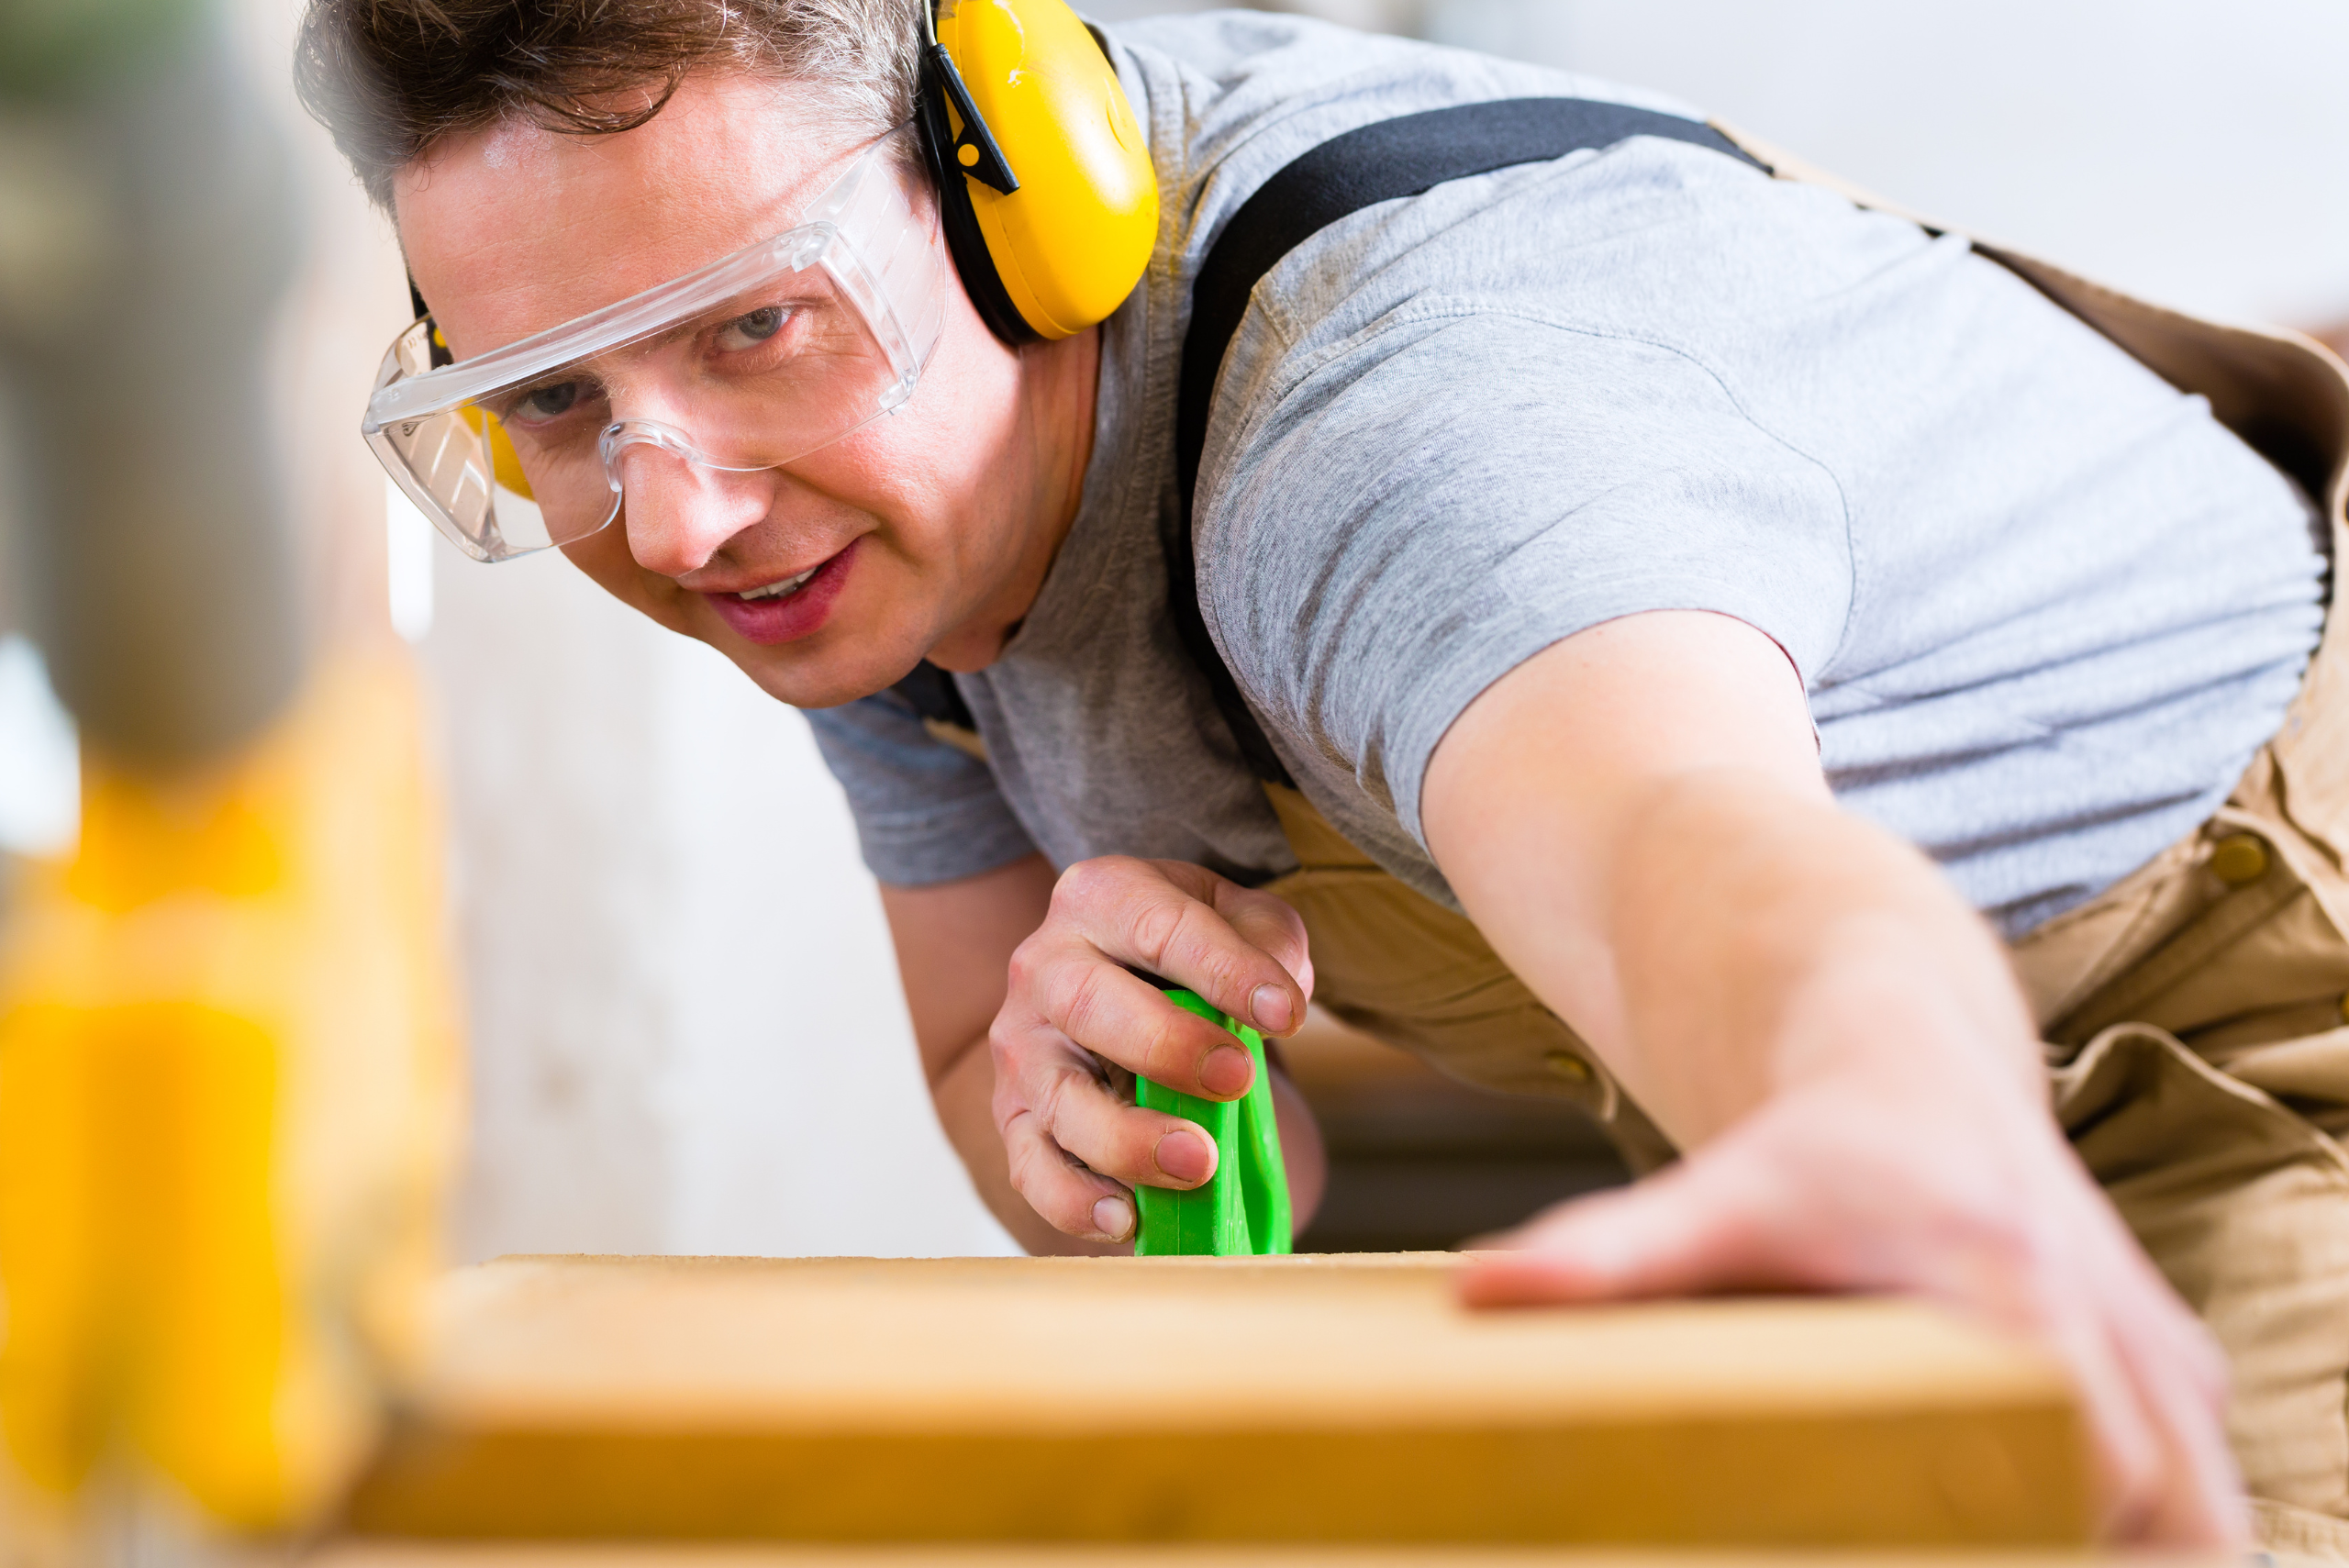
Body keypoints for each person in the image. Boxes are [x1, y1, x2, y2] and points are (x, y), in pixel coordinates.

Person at [295, 0, 2349, 1551]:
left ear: (1018, 189)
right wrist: (1102, 1120)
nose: (670, 519)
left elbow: (1676, 846)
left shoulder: (1389, 422)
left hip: (2256, 996)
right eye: (551, 397)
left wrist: (1878, 1109)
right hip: (1815, 1092)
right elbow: (986, 1060)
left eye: (746, 330)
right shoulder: (828, 530)